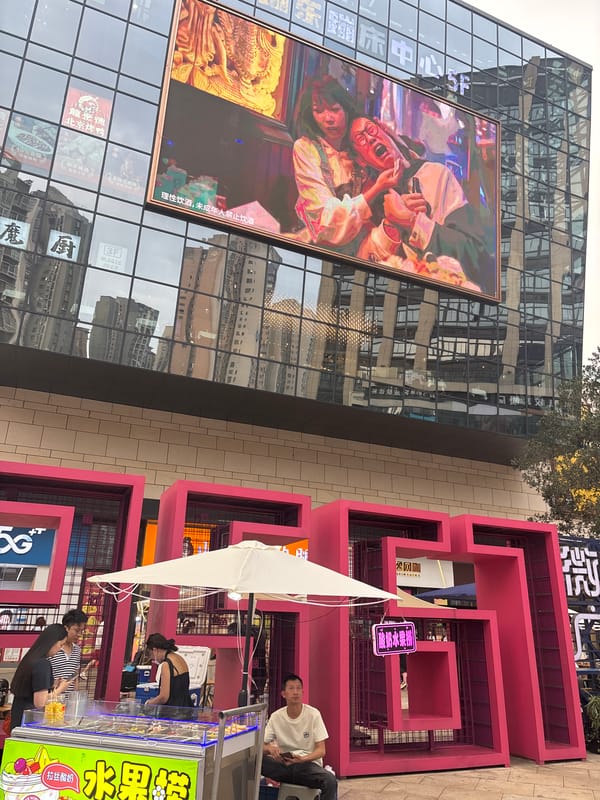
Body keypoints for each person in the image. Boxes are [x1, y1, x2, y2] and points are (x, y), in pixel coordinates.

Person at [349, 116, 495, 295]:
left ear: (385, 131)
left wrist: (413, 222)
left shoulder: (435, 175)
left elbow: (475, 256)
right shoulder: (370, 208)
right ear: (361, 160)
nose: (370, 139)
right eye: (361, 139)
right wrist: (392, 225)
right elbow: (359, 275)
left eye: (371, 130)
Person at [292, 76, 399, 254]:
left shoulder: (358, 143)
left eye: (334, 109)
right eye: (318, 111)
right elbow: (325, 220)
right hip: (322, 247)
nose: (328, 119)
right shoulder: (306, 148)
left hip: (363, 244)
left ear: (346, 109)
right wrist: (377, 188)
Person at [262, 674, 337, 800]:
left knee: (330, 781)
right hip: (284, 766)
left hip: (307, 766)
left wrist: (303, 759)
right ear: (283, 694)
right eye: (291, 688)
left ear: (303, 692)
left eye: (298, 688)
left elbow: (321, 750)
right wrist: (270, 749)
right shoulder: (276, 717)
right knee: (253, 762)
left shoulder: (313, 714)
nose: (295, 692)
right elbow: (261, 746)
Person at [9, 623, 72, 731]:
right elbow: (40, 703)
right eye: (60, 644)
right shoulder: (42, 664)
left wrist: (50, 685)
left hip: (18, 721)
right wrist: (61, 689)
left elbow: (31, 688)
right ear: (52, 642)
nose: (60, 649)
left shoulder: (30, 658)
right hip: (29, 725)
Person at [144, 633, 193, 708]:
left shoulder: (166, 665)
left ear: (155, 650)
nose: (153, 659)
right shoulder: (180, 658)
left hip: (172, 711)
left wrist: (148, 703)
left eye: (151, 655)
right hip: (186, 708)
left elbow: (163, 697)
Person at [50, 609, 91, 697]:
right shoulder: (52, 649)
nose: (79, 634)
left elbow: (75, 675)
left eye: (82, 631)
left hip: (69, 700)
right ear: (66, 628)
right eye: (76, 630)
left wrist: (75, 696)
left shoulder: (77, 650)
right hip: (51, 698)